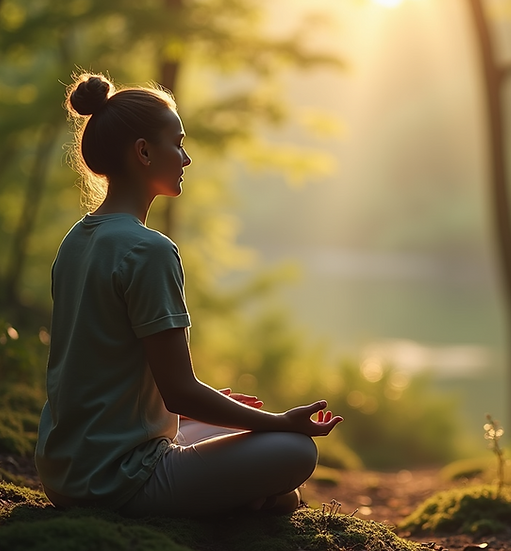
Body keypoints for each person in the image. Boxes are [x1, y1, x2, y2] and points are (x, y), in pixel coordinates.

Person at [34, 72, 342, 518]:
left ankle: (244, 491)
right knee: (295, 450)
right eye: (177, 143)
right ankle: (245, 498)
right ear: (143, 151)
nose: (186, 157)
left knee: (224, 423)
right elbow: (179, 393)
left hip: (63, 469)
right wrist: (278, 423)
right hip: (119, 480)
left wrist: (210, 408)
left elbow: (103, 369)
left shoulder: (75, 240)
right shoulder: (149, 250)